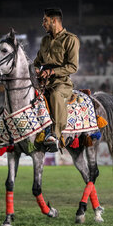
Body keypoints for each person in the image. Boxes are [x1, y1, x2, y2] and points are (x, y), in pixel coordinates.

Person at [34, 8, 80, 148]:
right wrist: (35, 68)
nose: (43, 24)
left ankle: (55, 135)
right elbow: (37, 61)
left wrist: (51, 71)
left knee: (55, 94)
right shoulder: (45, 40)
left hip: (62, 83)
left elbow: (73, 67)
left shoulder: (71, 40)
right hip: (43, 83)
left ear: (54, 21)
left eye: (45, 21)